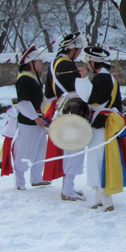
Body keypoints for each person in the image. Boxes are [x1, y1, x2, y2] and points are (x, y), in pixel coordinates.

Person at [76, 46, 126, 211]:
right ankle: (99, 199)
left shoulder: (101, 78)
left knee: (98, 160)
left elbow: (90, 98)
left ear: (93, 62)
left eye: (88, 63)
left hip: (101, 123)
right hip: (104, 121)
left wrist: (82, 79)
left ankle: (106, 201)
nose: (87, 66)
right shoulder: (108, 78)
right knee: (98, 159)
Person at [43, 31, 87, 201]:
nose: (79, 53)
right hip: (72, 110)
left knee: (70, 149)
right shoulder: (66, 65)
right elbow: (80, 90)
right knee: (74, 150)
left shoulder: (54, 63)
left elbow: (49, 92)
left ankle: (68, 188)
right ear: (72, 49)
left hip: (62, 109)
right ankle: (68, 190)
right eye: (78, 50)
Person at [12, 45, 50, 190]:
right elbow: (23, 103)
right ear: (31, 63)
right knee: (25, 150)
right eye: (39, 61)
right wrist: (35, 117)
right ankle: (20, 182)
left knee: (40, 150)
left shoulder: (33, 78)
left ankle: (36, 178)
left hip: (38, 120)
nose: (42, 64)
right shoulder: (24, 79)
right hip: (29, 121)